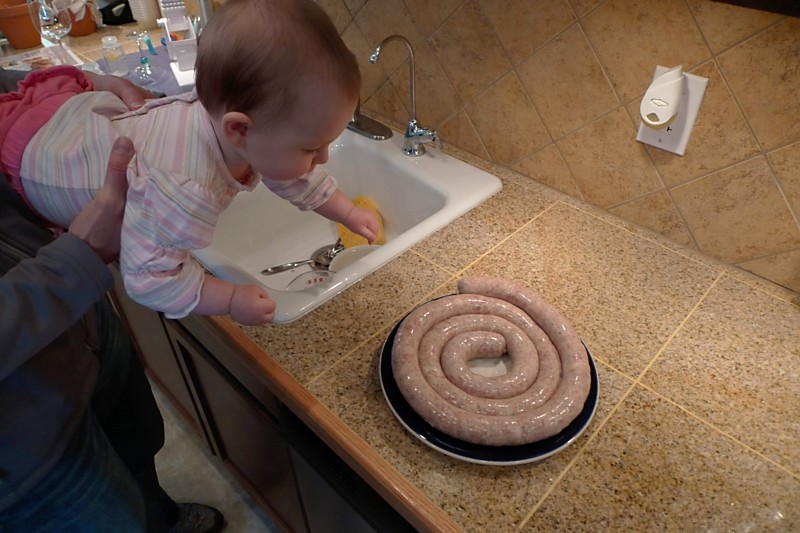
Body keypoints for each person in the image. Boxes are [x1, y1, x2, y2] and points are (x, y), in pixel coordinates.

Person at [0, 0, 377, 327]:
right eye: (313, 148)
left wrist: (345, 211)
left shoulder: (236, 127)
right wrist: (230, 298)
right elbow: (149, 278)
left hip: (74, 114)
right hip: (37, 153)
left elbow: (285, 169)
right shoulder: (184, 184)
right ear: (239, 130)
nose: (323, 158)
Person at [0, 69, 224, 532]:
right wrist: (75, 260)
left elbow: (9, 85)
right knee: (109, 515)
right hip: (25, 443)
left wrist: (85, 83)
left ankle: (162, 517)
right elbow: (156, 284)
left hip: (76, 311)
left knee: (137, 441)